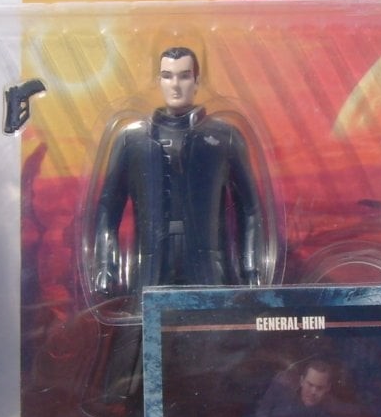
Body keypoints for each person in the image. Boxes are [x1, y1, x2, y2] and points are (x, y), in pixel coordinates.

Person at [93, 45, 265, 294]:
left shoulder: (224, 137)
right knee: (147, 318)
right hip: (151, 270)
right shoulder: (132, 140)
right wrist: (105, 266)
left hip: (210, 272)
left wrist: (251, 269)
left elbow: (250, 209)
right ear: (159, 81)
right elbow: (108, 209)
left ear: (196, 82)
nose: (175, 85)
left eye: (184, 76)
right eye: (167, 76)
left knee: (210, 318)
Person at [255, 358, 345, 417]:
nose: (313, 391)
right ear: (302, 381)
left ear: (328, 388)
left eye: (319, 388)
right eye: (310, 384)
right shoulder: (280, 398)